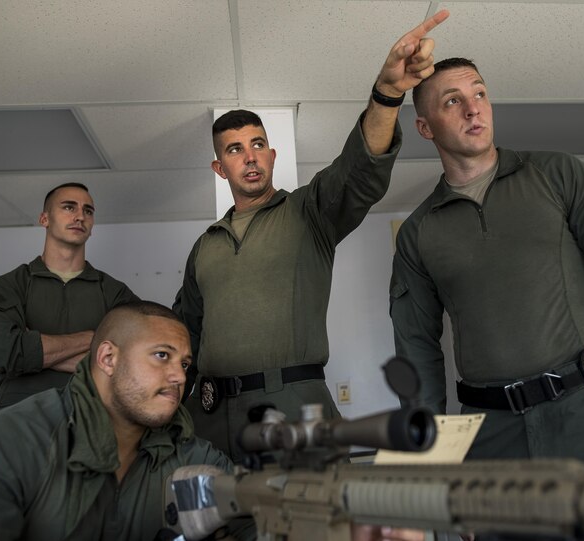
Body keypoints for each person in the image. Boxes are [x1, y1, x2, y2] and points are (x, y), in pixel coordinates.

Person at [389, 58, 584, 540]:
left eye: (480, 94)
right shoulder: (417, 234)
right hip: (489, 437)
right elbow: (416, 352)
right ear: (424, 127)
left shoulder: (558, 174)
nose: (474, 109)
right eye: (453, 101)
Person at [174, 11, 449, 462]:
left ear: (272, 153)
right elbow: (186, 332)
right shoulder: (206, 246)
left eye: (258, 144)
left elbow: (358, 173)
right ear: (219, 168)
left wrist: (386, 95)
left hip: (294, 408)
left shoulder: (307, 212)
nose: (250, 156)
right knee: (223, 528)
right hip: (212, 418)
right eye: (235, 149)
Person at [0, 300, 424, 541]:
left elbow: (254, 515)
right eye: (161, 356)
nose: (178, 376)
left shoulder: (185, 449)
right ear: (108, 358)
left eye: (183, 364)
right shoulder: (14, 442)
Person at [0, 182, 139, 409]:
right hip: (21, 424)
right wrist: (94, 338)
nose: (80, 216)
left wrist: (34, 349)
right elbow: (2, 353)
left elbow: (133, 363)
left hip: (96, 423)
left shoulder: (116, 293)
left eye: (88, 211)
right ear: (44, 219)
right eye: (69, 207)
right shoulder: (7, 287)